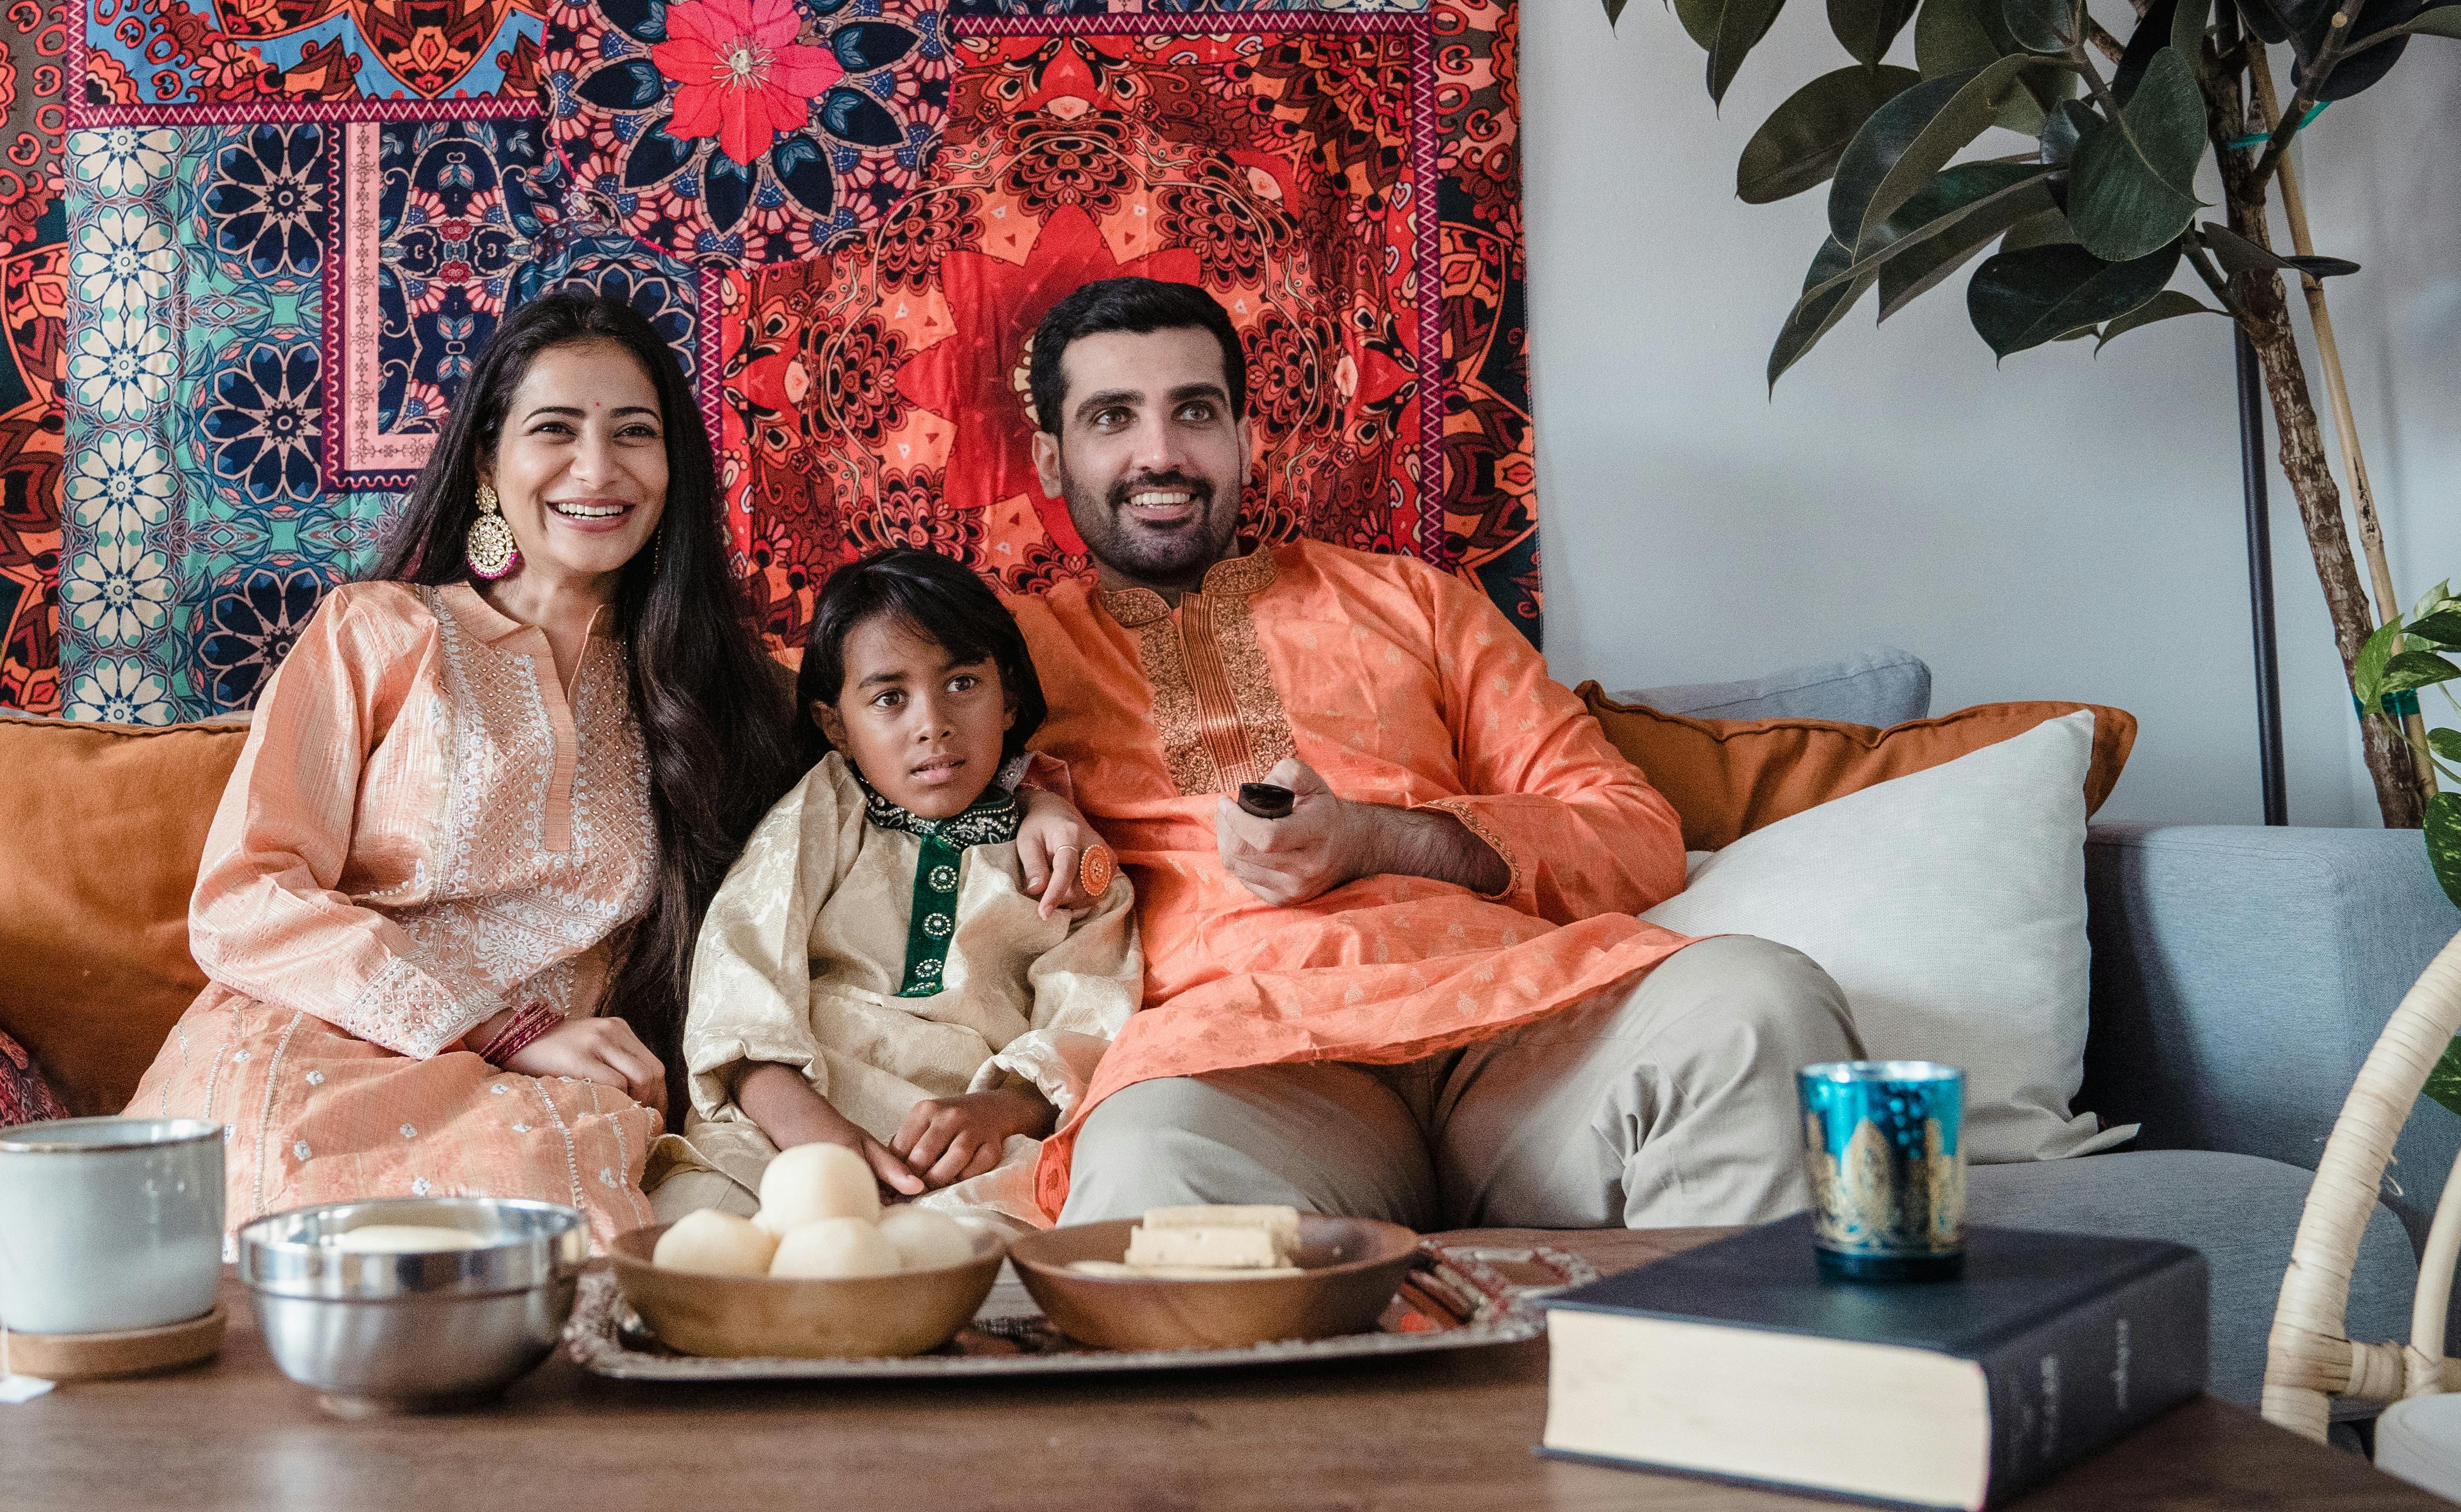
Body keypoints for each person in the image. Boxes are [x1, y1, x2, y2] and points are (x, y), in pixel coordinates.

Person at [128, 296, 1097, 1247]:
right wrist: (496, 1026)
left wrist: (1039, 796)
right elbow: (245, 895)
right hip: (322, 1042)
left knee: (551, 1241)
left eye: (633, 434)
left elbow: (904, 759)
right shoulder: (376, 634)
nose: (597, 468)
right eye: (555, 429)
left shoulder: (722, 692)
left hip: (544, 1099)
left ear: (672, 469)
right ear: (485, 459)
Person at [1005, 278, 1861, 1233]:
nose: (1159, 455)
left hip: (1519, 1033)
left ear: (1245, 436)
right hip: (1241, 1071)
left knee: (1757, 1005)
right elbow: (849, 737)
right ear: (1051, 457)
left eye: (1194, 412)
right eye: (1112, 418)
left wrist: (1378, 839)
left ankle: (1693, 1381)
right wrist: (1028, 792)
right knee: (1149, 1178)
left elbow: (1632, 832)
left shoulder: (1413, 605)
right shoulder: (997, 662)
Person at [653, 549, 1139, 1236]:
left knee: (976, 1255)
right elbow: (742, 971)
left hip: (970, 1137)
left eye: (963, 682)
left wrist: (998, 1113)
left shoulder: (1060, 856)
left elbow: (1090, 1014)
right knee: (701, 1228)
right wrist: (813, 1131)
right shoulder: (825, 808)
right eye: (888, 698)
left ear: (1011, 702)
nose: (931, 722)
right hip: (795, 1114)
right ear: (835, 726)